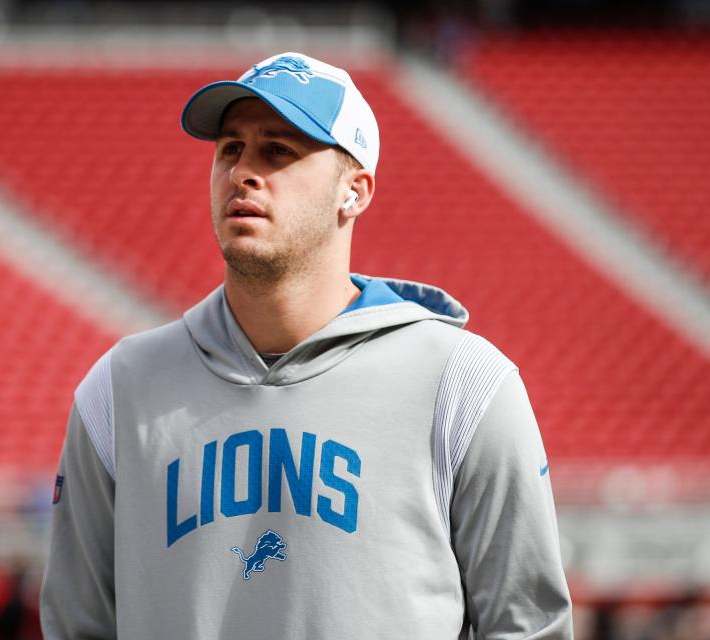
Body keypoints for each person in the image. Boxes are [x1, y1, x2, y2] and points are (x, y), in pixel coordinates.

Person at [40, 51, 573, 639]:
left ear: (355, 191)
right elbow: (75, 626)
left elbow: (528, 627)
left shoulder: (464, 387)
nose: (244, 171)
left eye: (279, 151)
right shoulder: (119, 390)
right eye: (230, 149)